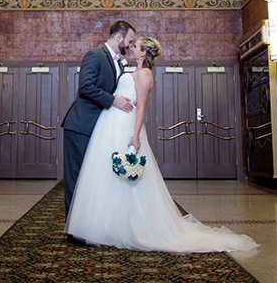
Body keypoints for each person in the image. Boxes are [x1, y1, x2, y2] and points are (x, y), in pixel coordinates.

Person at [65, 37, 258, 253]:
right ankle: (107, 224)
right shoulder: (130, 69)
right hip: (109, 124)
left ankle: (129, 225)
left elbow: (141, 107)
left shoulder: (145, 74)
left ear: (143, 54)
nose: (131, 48)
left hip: (125, 125)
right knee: (107, 176)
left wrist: (135, 136)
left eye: (135, 47)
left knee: (126, 178)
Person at [62, 20, 136, 216]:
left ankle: (89, 222)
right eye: (129, 41)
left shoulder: (116, 60)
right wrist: (113, 101)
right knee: (77, 177)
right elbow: (86, 86)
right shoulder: (95, 55)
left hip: (98, 127)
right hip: (81, 125)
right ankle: (74, 227)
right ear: (119, 37)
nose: (130, 46)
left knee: (91, 178)